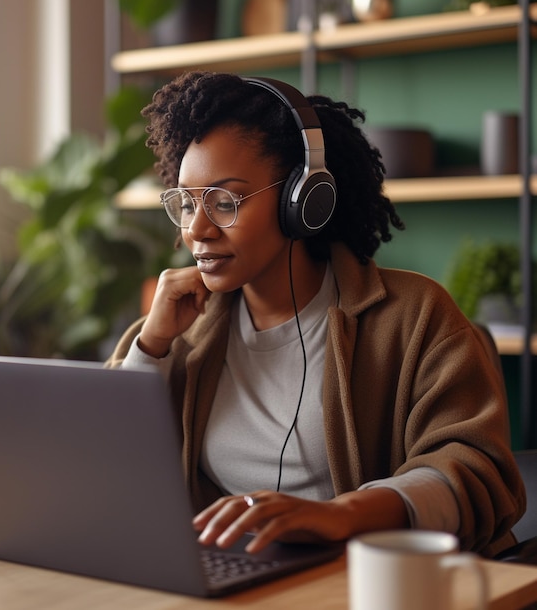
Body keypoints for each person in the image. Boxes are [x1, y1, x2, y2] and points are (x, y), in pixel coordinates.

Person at [107, 71, 525, 558]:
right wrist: (151, 349)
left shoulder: (414, 316)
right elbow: (104, 471)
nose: (197, 229)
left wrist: (342, 514)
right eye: (185, 203)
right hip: (237, 580)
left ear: (303, 200)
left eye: (224, 202)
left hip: (376, 583)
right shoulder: (180, 328)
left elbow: (478, 472)